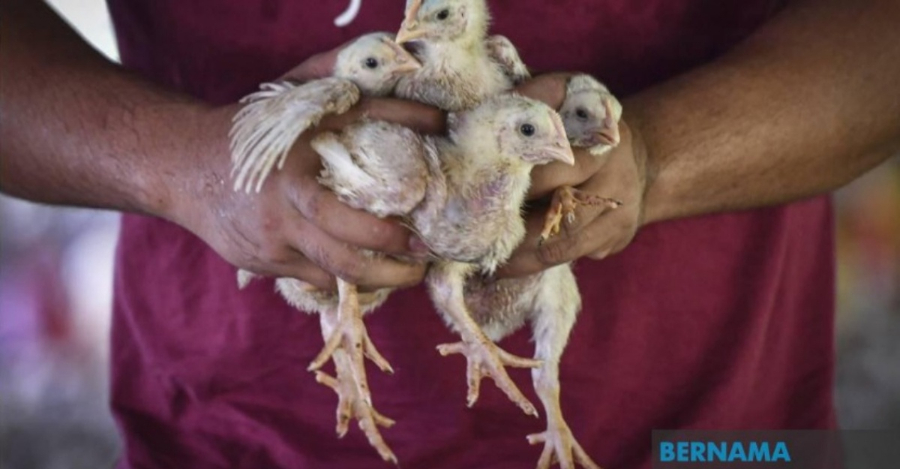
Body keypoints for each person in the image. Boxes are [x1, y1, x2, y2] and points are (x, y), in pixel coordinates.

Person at [1, 0, 897, 467]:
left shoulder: (493, 92)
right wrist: (187, 163)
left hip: (721, 438)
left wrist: (654, 159)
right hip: (227, 441)